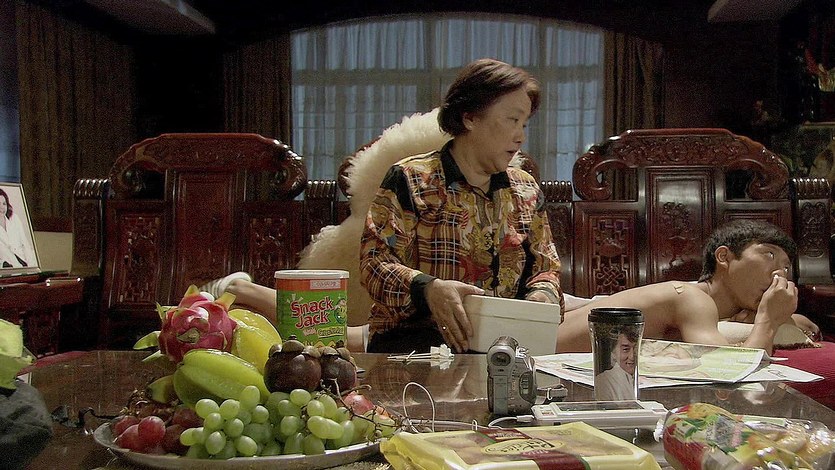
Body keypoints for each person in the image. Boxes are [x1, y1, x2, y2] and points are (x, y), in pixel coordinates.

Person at [358, 58, 564, 354]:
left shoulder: (525, 189)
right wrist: (429, 290)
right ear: (470, 118)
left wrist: (542, 297)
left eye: (524, 124)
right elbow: (374, 265)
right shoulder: (411, 179)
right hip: (415, 346)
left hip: (505, 346)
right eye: (512, 120)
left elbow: (546, 268)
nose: (521, 136)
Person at [557, 219, 805, 355]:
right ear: (724, 257)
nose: (779, 273)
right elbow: (731, 372)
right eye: (769, 255)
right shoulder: (690, 298)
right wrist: (768, 320)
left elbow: (802, 325)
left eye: (786, 267)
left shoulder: (706, 306)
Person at [594, 329, 638, 401]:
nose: (632, 357)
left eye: (636, 349)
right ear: (613, 353)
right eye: (625, 349)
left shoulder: (634, 379)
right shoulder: (604, 380)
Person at [0, 189, 36, 268]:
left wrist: (31, 267)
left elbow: (25, 244)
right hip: (8, 268)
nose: (2, 207)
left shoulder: (15, 219)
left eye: (4, 204)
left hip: (26, 262)